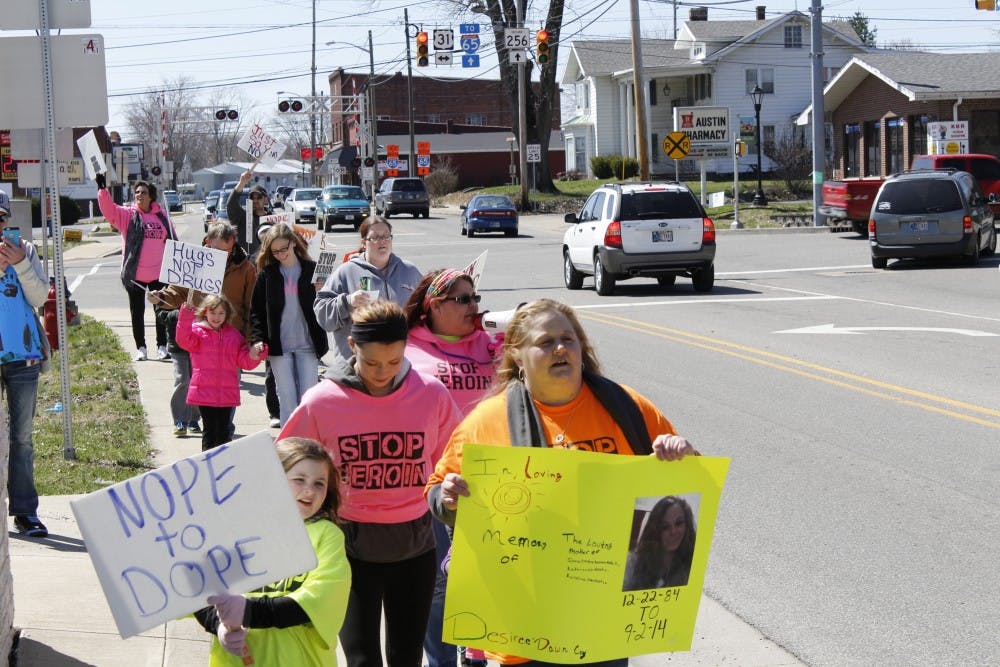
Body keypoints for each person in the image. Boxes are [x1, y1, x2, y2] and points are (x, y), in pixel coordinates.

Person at [425, 299, 698, 667]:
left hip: (600, 626)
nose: (560, 349)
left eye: (568, 339)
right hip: (523, 629)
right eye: (545, 342)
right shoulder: (486, 422)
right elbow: (438, 491)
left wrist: (681, 454)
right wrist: (449, 495)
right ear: (517, 356)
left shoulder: (628, 408)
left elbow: (688, 484)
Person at [278, 301, 463, 667]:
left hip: (415, 544)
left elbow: (453, 457)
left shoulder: (431, 394)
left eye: (394, 362)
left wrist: (454, 482)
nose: (383, 372)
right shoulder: (322, 401)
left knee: (406, 658)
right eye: (372, 362)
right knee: (362, 660)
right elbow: (283, 462)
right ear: (351, 347)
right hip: (348, 547)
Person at [403, 268, 501, 667]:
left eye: (475, 298)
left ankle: (478, 654)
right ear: (434, 306)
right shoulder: (408, 347)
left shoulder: (492, 343)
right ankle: (442, 661)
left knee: (489, 580)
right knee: (441, 587)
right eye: (463, 299)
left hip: (496, 480)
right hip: (440, 487)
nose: (474, 306)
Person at [195, 437, 351, 666]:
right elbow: (196, 596)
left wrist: (249, 611)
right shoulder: (234, 530)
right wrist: (218, 625)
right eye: (299, 479)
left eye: (320, 483)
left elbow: (314, 604)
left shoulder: (327, 536)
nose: (310, 490)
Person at [152, 222, 258, 436]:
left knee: (229, 386)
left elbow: (251, 306)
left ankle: (226, 428)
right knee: (193, 382)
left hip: (231, 340)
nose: (222, 256)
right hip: (201, 338)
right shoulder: (197, 261)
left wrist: (250, 339)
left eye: (226, 251)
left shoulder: (246, 268)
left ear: (233, 243)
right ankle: (198, 424)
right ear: (208, 243)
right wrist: (161, 297)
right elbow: (178, 290)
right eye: (217, 250)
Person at [1, 205, 50, 537]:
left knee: (22, 438)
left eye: (0, 217)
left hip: (23, 356)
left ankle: (24, 511)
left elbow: (40, 295)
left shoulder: (26, 250)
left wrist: (19, 263)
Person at [314, 217, 422, 366]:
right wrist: (348, 302)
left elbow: (426, 313)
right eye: (376, 237)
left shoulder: (409, 271)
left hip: (400, 364)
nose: (382, 241)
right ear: (364, 243)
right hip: (355, 366)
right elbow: (322, 314)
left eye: (386, 236)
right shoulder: (346, 271)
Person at [250, 224, 329, 426]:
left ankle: (309, 442)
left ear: (293, 242)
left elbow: (328, 302)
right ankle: (290, 447)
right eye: (275, 251)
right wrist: (258, 339)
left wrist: (322, 289)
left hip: (308, 344)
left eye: (283, 249)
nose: (280, 254)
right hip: (279, 347)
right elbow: (256, 311)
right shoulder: (266, 275)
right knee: (286, 398)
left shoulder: (313, 270)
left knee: (309, 396)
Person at [96, 173, 178, 361]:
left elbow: (173, 241)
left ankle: (162, 346)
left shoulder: (162, 216)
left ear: (151, 196)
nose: (139, 195)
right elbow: (110, 211)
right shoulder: (128, 216)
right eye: (137, 192)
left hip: (159, 273)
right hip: (135, 274)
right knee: (137, 310)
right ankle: (141, 347)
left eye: (143, 192)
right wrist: (102, 190)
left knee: (161, 310)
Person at [175, 294, 265, 451]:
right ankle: (207, 466)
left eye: (221, 313)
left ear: (227, 314)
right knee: (209, 431)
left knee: (224, 432)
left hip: (226, 393)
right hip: (204, 392)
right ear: (205, 312)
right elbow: (183, 339)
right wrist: (185, 315)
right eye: (213, 312)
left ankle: (222, 467)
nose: (216, 317)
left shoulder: (234, 336)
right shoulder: (197, 332)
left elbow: (244, 361)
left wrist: (254, 354)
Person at [622, 495, 696, 591]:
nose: (673, 531)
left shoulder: (692, 563)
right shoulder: (633, 564)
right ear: (654, 531)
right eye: (665, 527)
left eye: (679, 523)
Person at [228, 169, 271, 257]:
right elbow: (231, 204)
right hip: (246, 265)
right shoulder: (243, 217)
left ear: (266, 199)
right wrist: (242, 182)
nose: (255, 200)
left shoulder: (274, 219)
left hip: (268, 264)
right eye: (252, 197)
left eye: (259, 197)